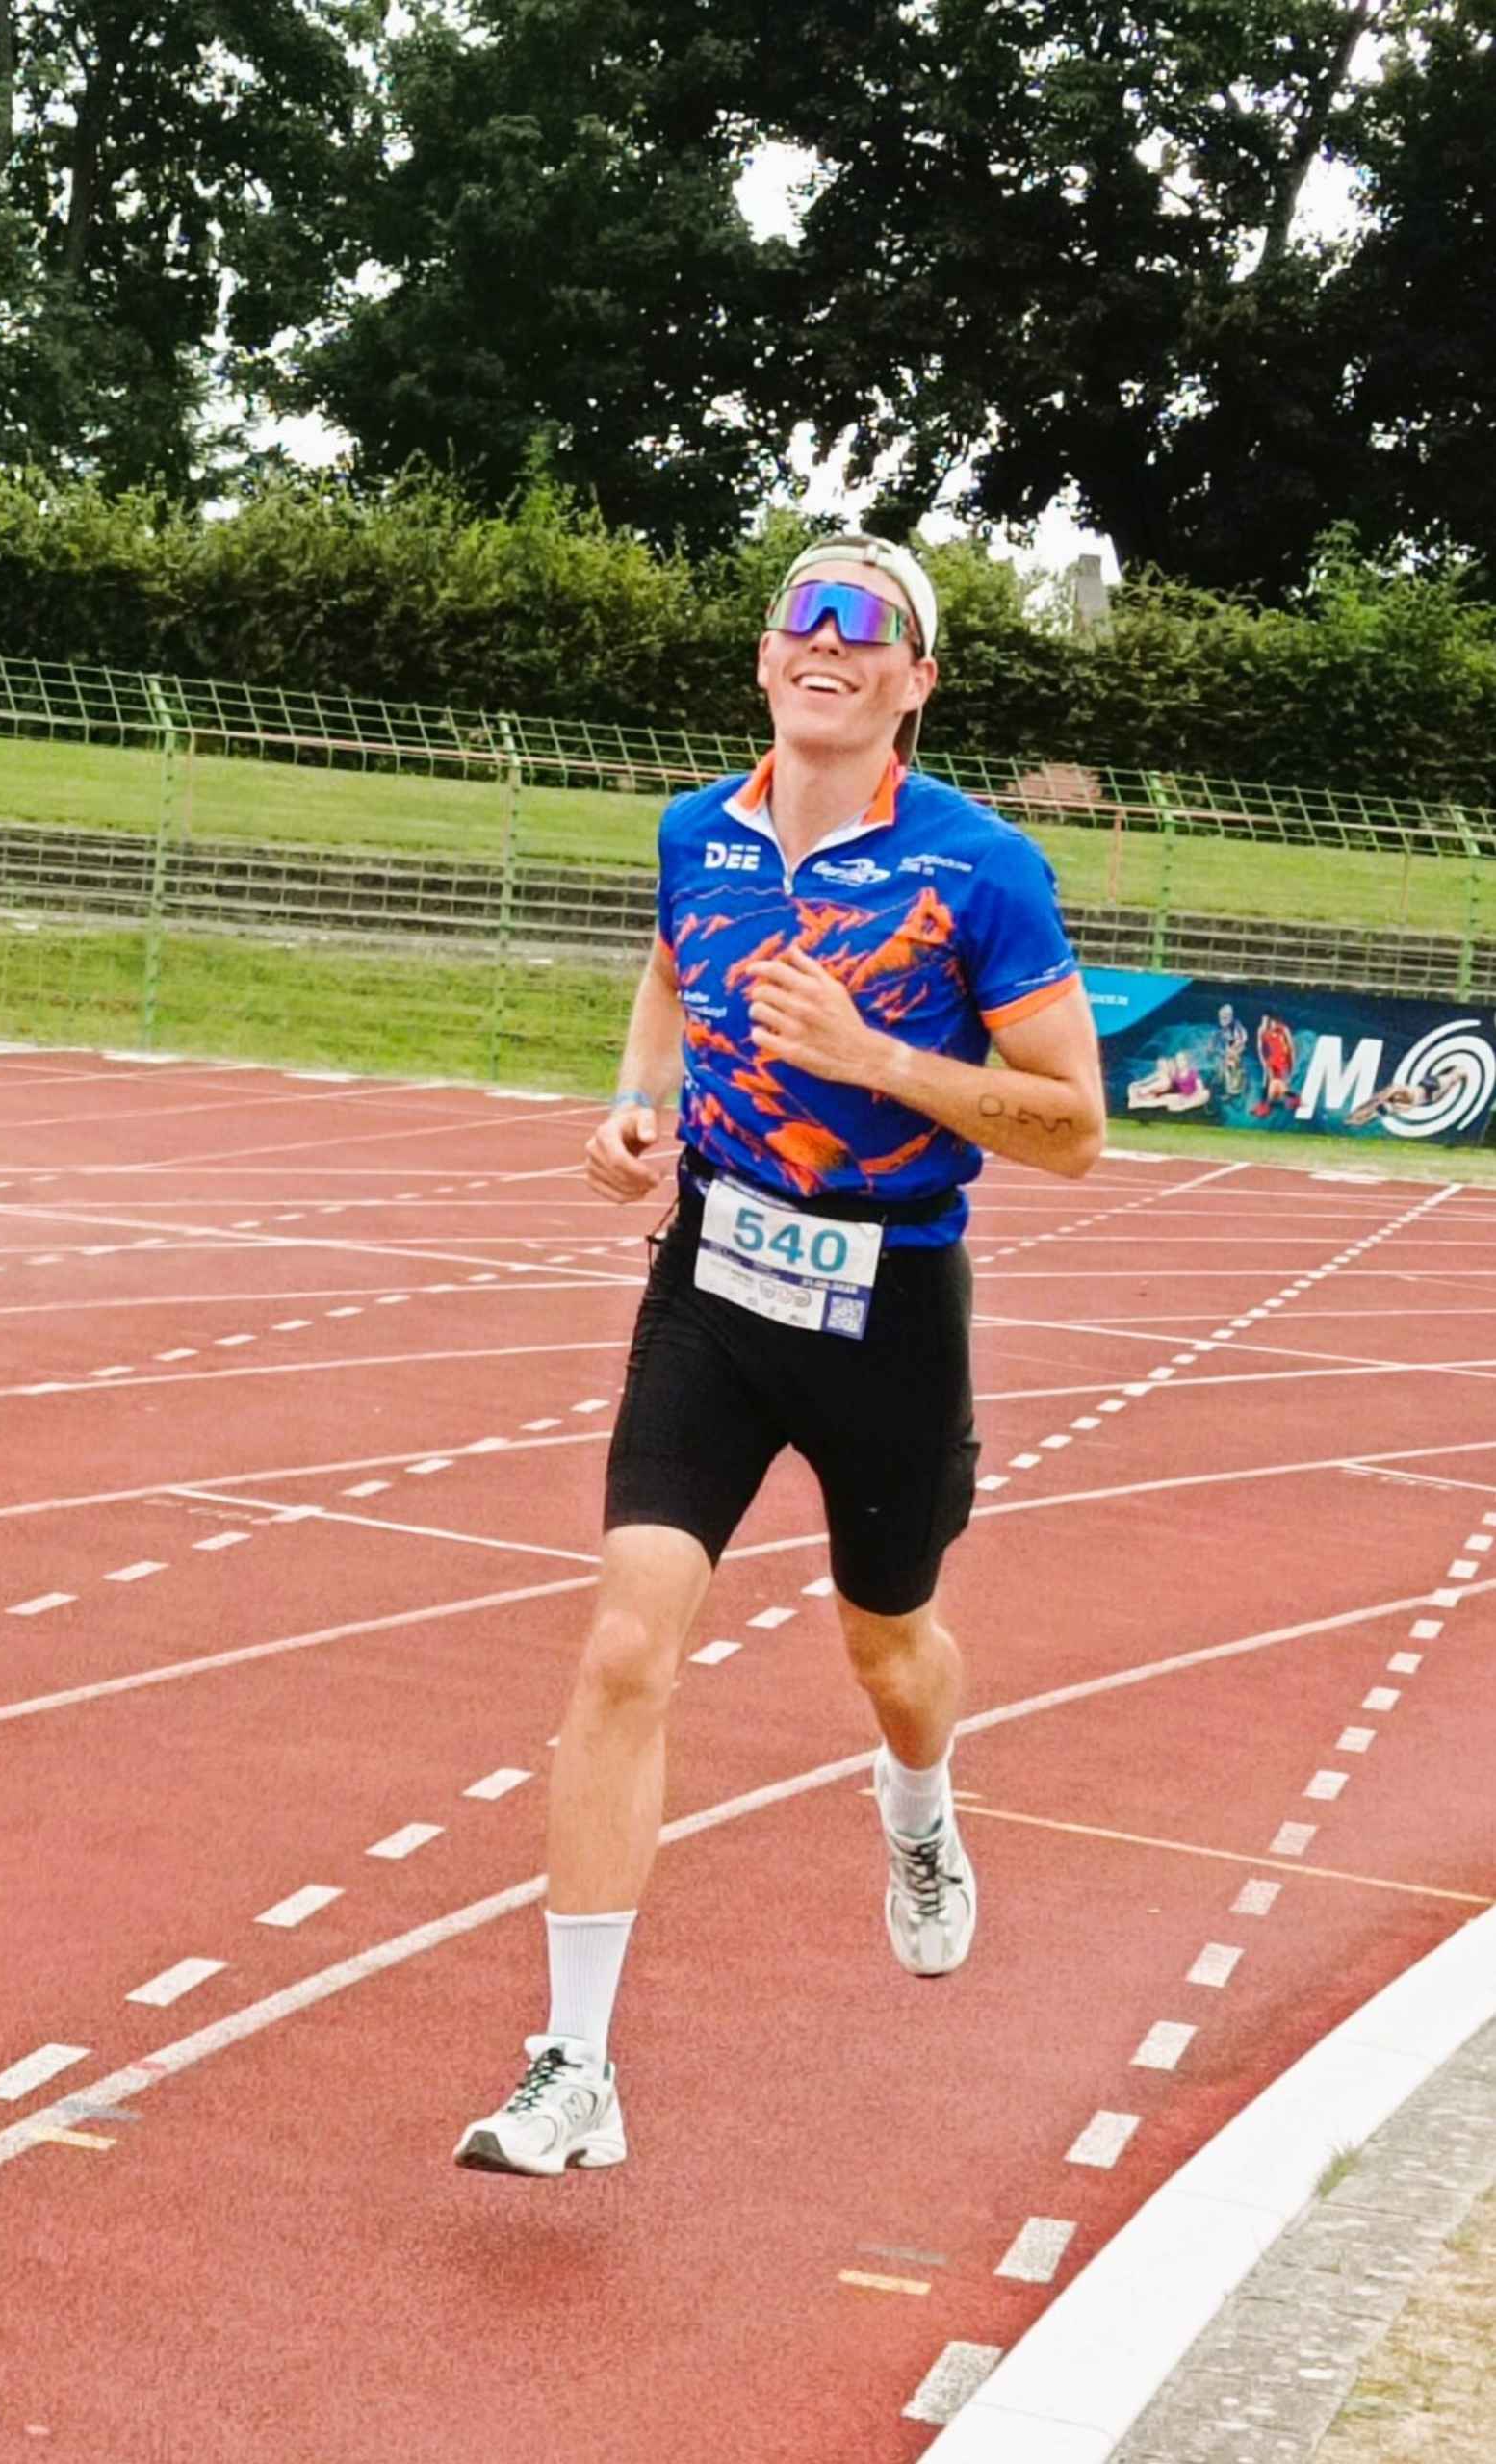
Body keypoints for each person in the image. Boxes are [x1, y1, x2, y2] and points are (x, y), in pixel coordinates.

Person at [453, 531, 1106, 2177]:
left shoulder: (981, 870)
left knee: (892, 1649)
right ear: (765, 659)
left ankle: (920, 1808)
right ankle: (574, 2065)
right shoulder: (697, 832)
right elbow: (672, 972)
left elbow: (1076, 1129)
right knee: (625, 1643)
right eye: (803, 613)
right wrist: (637, 1106)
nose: (829, 637)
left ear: (914, 681)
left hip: (891, 1305)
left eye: (868, 623)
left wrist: (880, 1058)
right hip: (715, 1283)